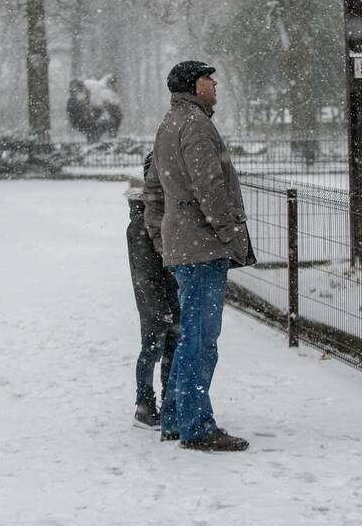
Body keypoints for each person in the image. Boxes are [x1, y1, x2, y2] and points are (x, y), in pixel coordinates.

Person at [143, 60, 256, 452]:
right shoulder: (194, 125)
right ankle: (196, 425)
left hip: (184, 244)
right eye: (210, 79)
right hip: (202, 246)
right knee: (201, 338)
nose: (215, 84)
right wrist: (229, 235)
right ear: (194, 85)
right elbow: (210, 187)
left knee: (191, 332)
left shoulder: (170, 123)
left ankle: (175, 417)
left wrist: (163, 239)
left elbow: (154, 188)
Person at [125, 152, 180, 429]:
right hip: (155, 303)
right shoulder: (141, 223)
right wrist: (160, 309)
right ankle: (144, 406)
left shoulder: (164, 212)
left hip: (170, 296)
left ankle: (170, 402)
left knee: (171, 349)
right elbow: (145, 275)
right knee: (151, 350)